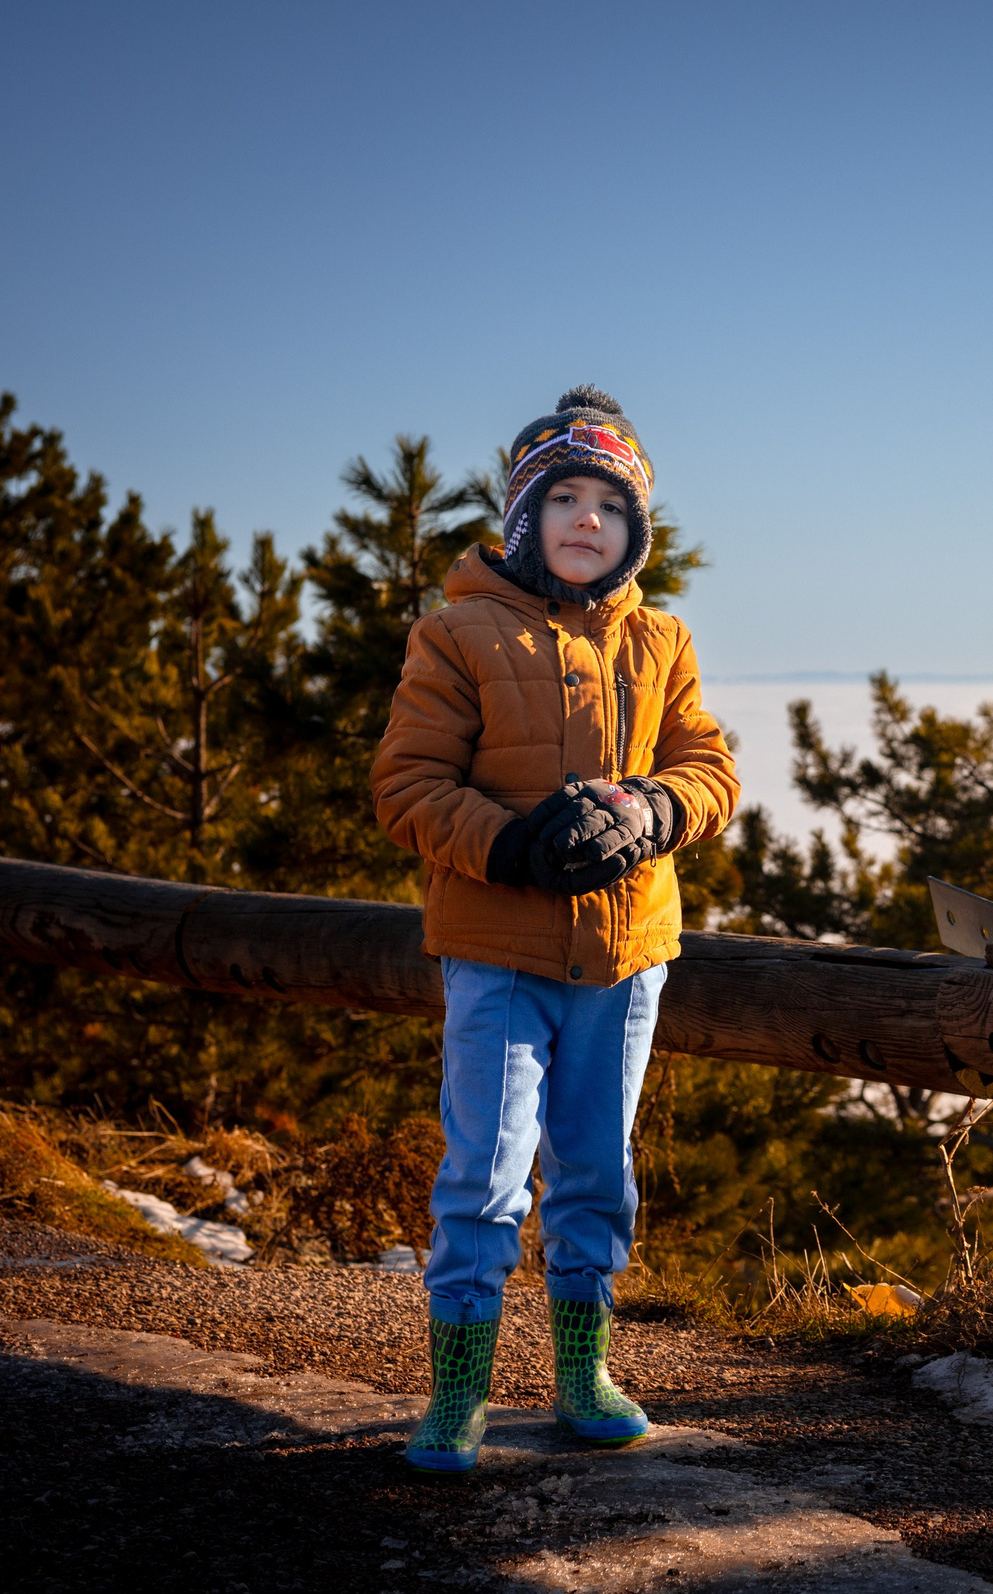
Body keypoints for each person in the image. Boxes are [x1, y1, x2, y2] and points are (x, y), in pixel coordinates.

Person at [370, 386, 739, 1472]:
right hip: (500, 950)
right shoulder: (457, 633)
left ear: (636, 531)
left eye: (610, 507)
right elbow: (407, 786)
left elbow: (707, 769)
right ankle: (458, 1394)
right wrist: (516, 846)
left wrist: (653, 811)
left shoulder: (662, 640)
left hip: (626, 958)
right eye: (564, 497)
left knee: (594, 1169)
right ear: (524, 514)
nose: (588, 520)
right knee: (484, 1168)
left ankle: (582, 1372)